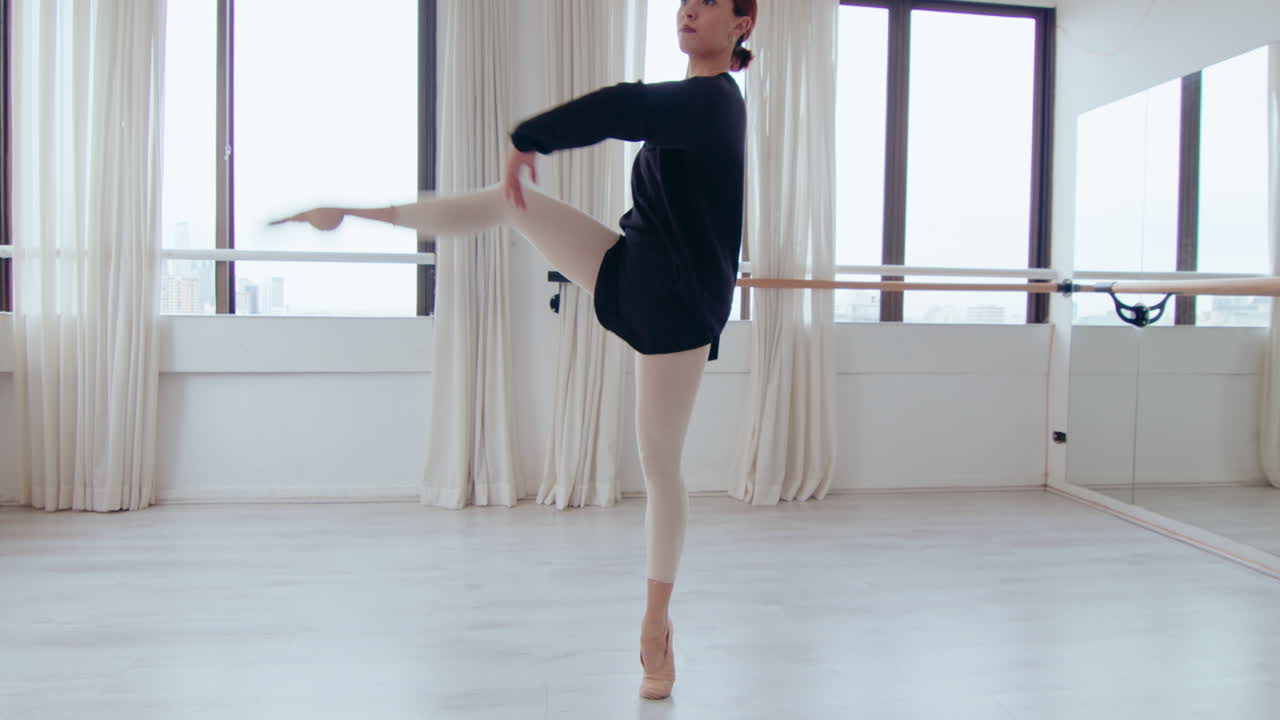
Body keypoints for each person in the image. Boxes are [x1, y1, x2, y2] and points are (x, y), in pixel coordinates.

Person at [274, 0, 756, 700]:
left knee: (658, 462)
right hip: (636, 264)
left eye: (711, 2)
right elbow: (640, 125)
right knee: (510, 203)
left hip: (680, 304)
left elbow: (625, 105)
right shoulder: (693, 103)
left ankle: (656, 626)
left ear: (743, 26)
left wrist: (533, 134)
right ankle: (360, 211)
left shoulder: (714, 103)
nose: (690, 9)